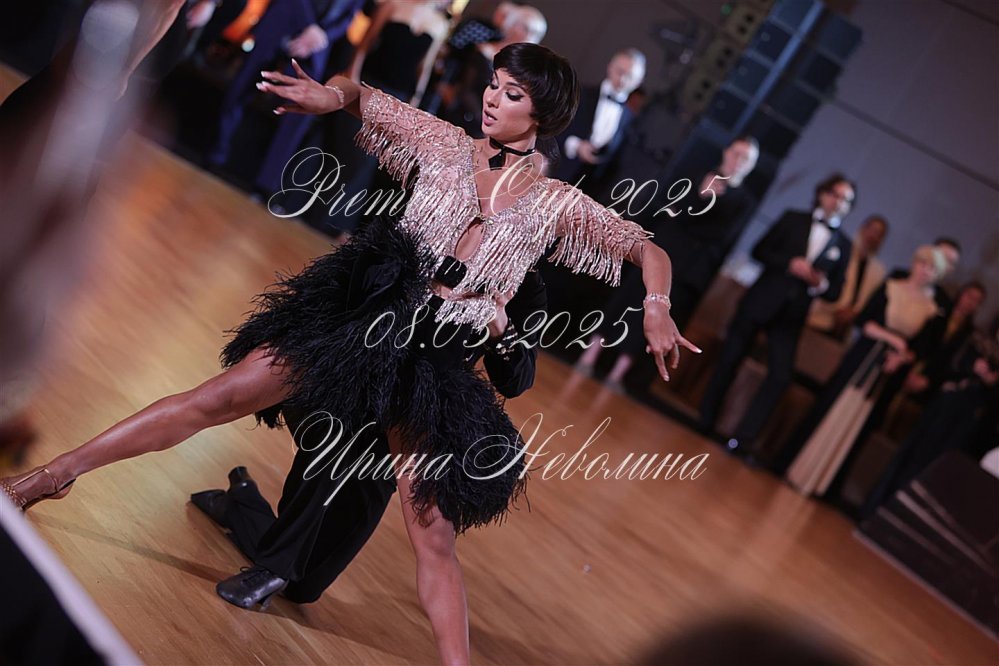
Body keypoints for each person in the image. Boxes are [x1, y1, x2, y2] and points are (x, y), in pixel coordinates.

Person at [1, 43, 697, 664]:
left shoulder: (556, 204)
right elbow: (359, 92)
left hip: (432, 364)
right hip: (363, 322)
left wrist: (657, 307)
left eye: (510, 93)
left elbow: (647, 249)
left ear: (541, 113)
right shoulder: (442, 142)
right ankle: (48, 477)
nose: (492, 98)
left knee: (432, 536)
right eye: (492, 84)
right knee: (213, 400)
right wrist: (329, 96)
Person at [189, 265, 550, 604]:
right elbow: (358, 279)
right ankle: (271, 569)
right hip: (340, 383)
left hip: (398, 433)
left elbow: (517, 380)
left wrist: (500, 325)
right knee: (343, 442)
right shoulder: (439, 231)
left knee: (303, 589)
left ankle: (240, 504)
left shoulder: (525, 286)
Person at [576, 135, 759, 389]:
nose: (738, 161)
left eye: (746, 159)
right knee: (625, 301)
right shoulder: (696, 175)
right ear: (726, 152)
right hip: (659, 251)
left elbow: (721, 236)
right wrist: (699, 196)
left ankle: (618, 373)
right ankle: (590, 354)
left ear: (751, 166)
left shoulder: (744, 201)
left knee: (657, 317)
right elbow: (669, 207)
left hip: (686, 268)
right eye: (736, 153)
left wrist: (705, 204)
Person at [699, 174, 855, 454]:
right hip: (761, 301)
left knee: (780, 376)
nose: (839, 203)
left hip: (792, 317)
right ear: (822, 193)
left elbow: (835, 292)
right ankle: (704, 421)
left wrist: (820, 283)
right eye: (836, 195)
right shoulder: (793, 218)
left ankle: (742, 440)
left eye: (847, 200)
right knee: (730, 358)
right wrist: (788, 263)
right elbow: (759, 251)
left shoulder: (843, 244)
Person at [780, 245, 946, 498]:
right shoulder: (891, 287)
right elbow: (864, 321)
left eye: (932, 269)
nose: (926, 271)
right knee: (832, 407)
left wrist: (901, 356)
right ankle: (796, 466)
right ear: (914, 263)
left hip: (889, 370)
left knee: (859, 424)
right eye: (923, 264)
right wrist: (894, 340)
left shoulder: (931, 309)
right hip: (863, 358)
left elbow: (923, 348)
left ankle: (824, 484)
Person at [315, 0, 451, 232]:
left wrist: (415, 102)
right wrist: (353, 79)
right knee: (349, 149)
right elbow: (365, 43)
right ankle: (319, 214)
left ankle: (338, 224)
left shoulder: (440, 24)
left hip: (399, 97)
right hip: (370, 84)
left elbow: (424, 67)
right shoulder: (393, 5)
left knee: (369, 159)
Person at [206, 0, 365, 197]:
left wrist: (323, 35)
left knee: (300, 114)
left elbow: (349, 14)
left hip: (316, 45)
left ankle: (266, 184)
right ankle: (216, 154)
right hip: (283, 19)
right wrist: (309, 26)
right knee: (242, 87)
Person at [858, 312, 999, 520]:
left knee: (940, 468)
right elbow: (946, 363)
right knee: (916, 456)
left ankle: (907, 520)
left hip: (969, 421)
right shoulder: (974, 337)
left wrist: (991, 381)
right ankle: (881, 510)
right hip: (946, 406)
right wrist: (971, 369)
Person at [439, 4, 547, 138]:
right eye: (526, 28)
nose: (529, 36)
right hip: (462, 115)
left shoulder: (524, 68)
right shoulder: (484, 51)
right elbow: (467, 86)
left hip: (490, 126)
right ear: (513, 25)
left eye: (536, 33)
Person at [553, 48, 646, 195]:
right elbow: (551, 127)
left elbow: (616, 164)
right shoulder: (579, 93)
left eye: (630, 76)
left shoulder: (631, 119)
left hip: (587, 189)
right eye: (619, 71)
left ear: (638, 82)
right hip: (557, 171)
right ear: (610, 67)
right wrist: (576, 145)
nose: (622, 80)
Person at [807, 215, 888, 340]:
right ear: (863, 228)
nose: (873, 236)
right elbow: (823, 280)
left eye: (879, 234)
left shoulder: (878, 271)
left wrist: (853, 314)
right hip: (819, 318)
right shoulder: (843, 250)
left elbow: (869, 301)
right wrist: (839, 309)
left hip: (843, 331)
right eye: (872, 229)